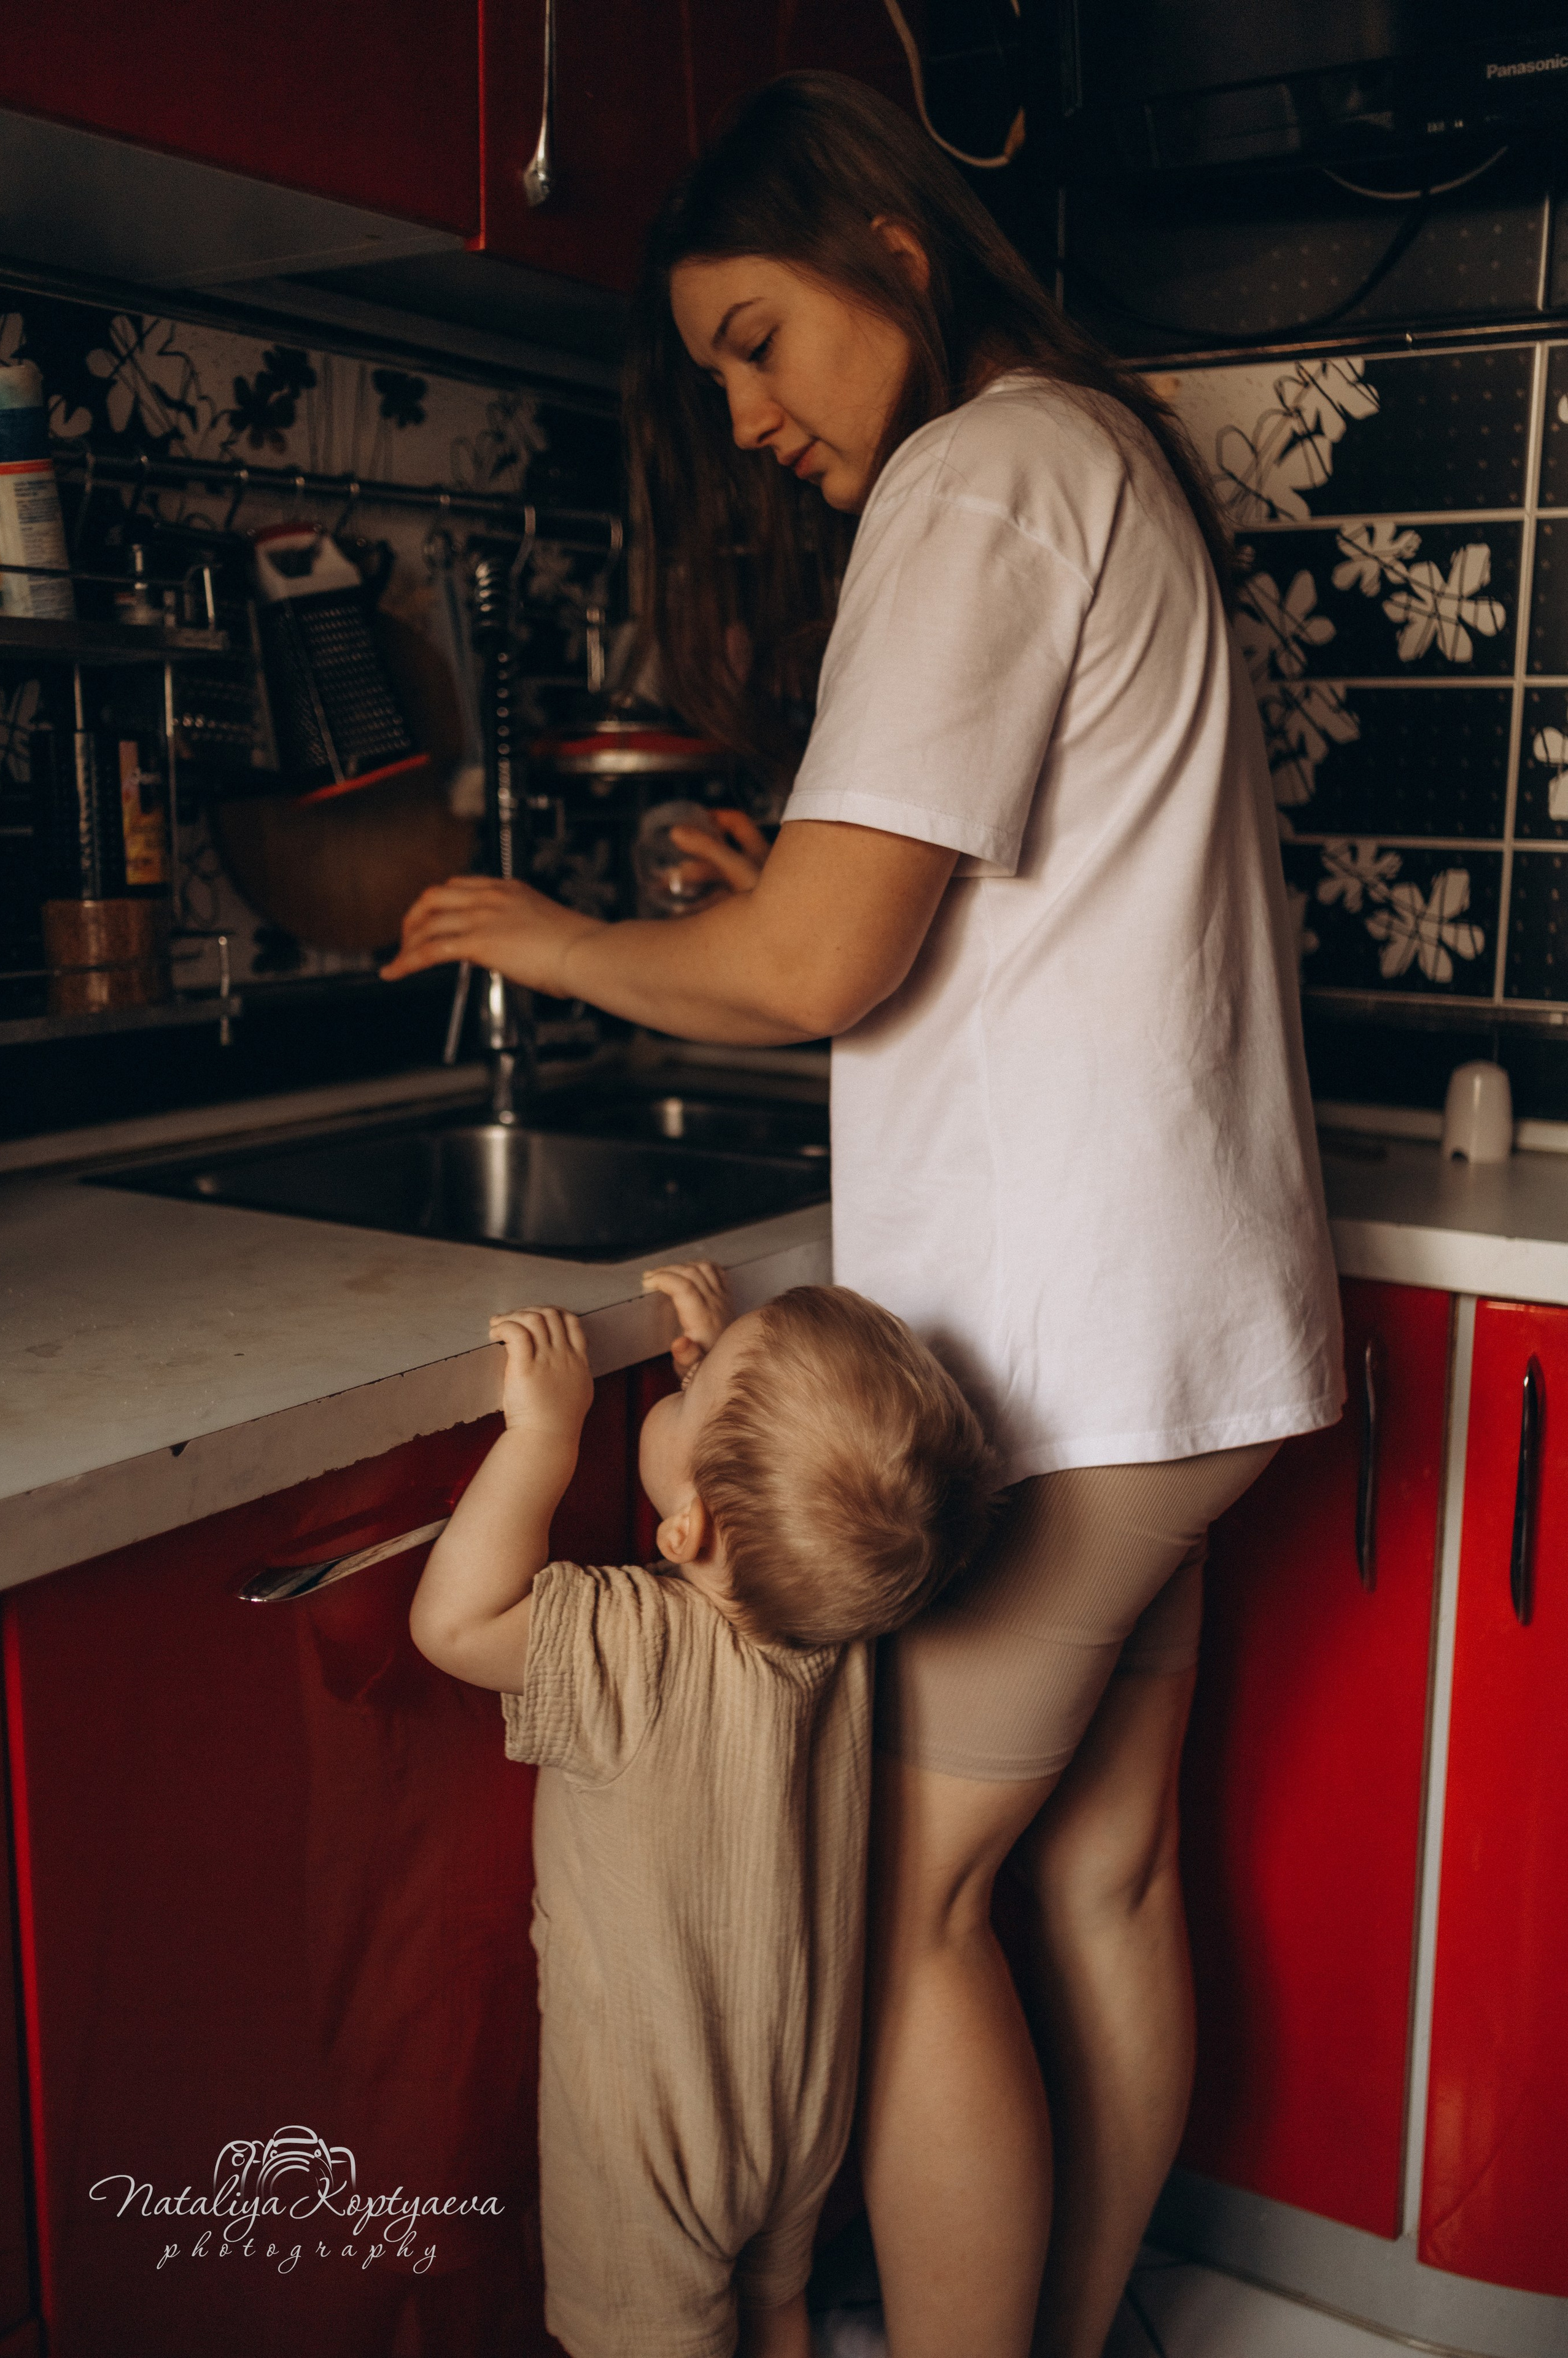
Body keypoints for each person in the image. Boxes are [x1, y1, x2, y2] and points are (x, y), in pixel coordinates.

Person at [384, 72, 1343, 2358]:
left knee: (900, 1913)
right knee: (1096, 1876)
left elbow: (829, 963)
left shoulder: (975, 469)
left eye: (752, 337)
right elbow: (947, 910)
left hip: (1061, 1349)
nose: (740, 412)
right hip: (1193, 1339)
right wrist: (761, 895)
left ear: (890, 259)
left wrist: (560, 937)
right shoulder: (1095, 459)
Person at [408, 1261, 996, 2358]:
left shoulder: (628, 1645)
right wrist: (720, 1377)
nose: (670, 1395)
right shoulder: (841, 1633)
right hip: (802, 2106)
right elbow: (797, 1499)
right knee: (775, 2307)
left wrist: (547, 1435)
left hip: (654, 2135)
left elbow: (456, 1623)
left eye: (684, 1396)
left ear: (686, 1529)